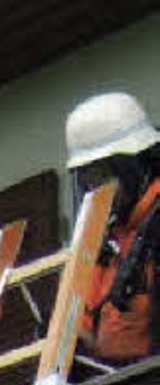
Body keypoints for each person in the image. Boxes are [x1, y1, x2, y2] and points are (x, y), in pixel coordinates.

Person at [66, 91, 160, 364]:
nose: (96, 192)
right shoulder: (104, 246)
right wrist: (66, 343)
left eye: (102, 177)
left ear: (130, 167)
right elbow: (87, 328)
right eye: (88, 181)